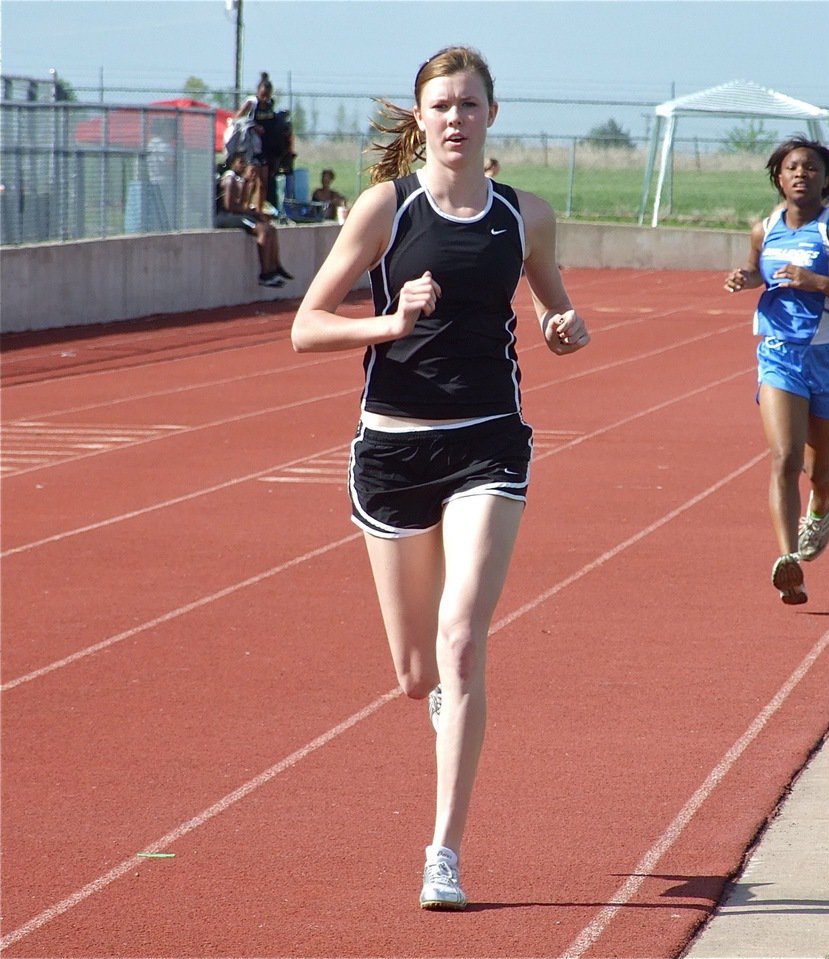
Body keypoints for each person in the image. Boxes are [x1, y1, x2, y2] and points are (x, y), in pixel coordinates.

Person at [290, 46, 590, 911]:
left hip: (487, 443)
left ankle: (444, 852)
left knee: (464, 638)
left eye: (469, 103)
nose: (456, 117)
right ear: (421, 119)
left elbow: (551, 304)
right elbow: (306, 327)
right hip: (391, 454)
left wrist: (564, 327)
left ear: (493, 114)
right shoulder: (387, 209)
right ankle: (438, 699)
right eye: (441, 105)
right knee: (415, 673)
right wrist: (392, 320)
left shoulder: (525, 216)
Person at [724, 136, 829, 605]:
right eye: (793, 167)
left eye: (811, 168)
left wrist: (818, 282)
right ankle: (788, 561)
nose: (801, 174)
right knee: (784, 459)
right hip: (780, 355)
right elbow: (760, 270)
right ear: (778, 176)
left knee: (818, 468)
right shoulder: (765, 228)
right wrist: (746, 277)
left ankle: (823, 502)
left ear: (825, 178)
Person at [214, 152, 291, 287]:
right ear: (233, 164)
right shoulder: (229, 179)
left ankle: (276, 266)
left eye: (245, 162)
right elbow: (229, 206)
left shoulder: (239, 180)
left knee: (270, 228)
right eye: (240, 162)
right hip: (224, 217)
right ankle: (265, 273)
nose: (243, 165)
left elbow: (243, 203)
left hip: (234, 214)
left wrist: (249, 184)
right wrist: (252, 213)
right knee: (263, 231)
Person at [234, 72, 294, 209]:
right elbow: (237, 119)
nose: (265, 98)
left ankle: (259, 210)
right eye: (263, 95)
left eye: (268, 95)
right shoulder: (252, 103)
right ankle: (244, 207)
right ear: (258, 92)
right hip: (252, 148)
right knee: (250, 178)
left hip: (265, 148)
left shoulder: (270, 105)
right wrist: (254, 126)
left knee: (263, 182)